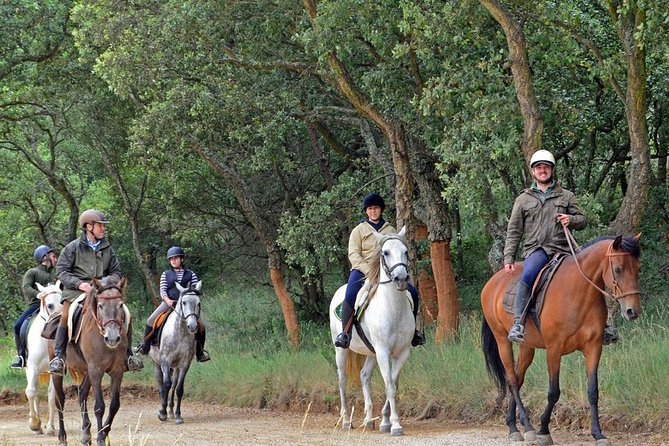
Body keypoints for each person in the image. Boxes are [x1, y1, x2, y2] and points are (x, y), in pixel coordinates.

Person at [504, 150, 615, 344]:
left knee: (589, 275)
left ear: (552, 170)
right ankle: (518, 324)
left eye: (546, 167)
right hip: (537, 250)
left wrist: (570, 219)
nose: (542, 170)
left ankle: (604, 326)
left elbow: (582, 220)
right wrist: (508, 258)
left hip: (564, 250)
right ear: (533, 172)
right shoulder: (523, 200)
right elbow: (514, 230)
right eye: (539, 167)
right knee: (529, 274)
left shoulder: (566, 196)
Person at [49, 209, 143, 374]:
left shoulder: (107, 248)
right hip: (76, 291)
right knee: (66, 315)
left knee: (126, 313)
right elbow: (62, 271)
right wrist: (80, 284)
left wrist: (105, 282)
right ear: (89, 227)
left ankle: (128, 356)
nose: (103, 229)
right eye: (100, 225)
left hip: (102, 291)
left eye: (103, 226)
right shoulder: (72, 248)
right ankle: (58, 357)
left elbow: (116, 271)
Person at [334, 193, 425, 349]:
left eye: (376, 208)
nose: (373, 211)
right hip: (363, 271)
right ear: (366, 211)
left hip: (387, 272)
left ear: (381, 210)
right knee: (350, 293)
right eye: (370, 209)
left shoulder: (390, 229)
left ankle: (414, 332)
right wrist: (368, 269)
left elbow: (396, 250)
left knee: (413, 293)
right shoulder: (358, 230)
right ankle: (345, 333)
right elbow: (353, 254)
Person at [135, 246, 210, 362]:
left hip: (187, 306)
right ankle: (145, 347)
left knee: (202, 325)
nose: (173, 261)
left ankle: (200, 353)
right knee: (150, 320)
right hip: (169, 303)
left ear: (182, 259)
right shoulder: (166, 274)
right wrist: (167, 300)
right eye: (171, 259)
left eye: (176, 258)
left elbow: (196, 290)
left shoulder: (191, 274)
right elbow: (163, 290)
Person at [10, 245, 58, 369]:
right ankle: (21, 356)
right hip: (36, 306)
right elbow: (26, 287)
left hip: (54, 308)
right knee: (18, 325)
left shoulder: (55, 276)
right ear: (45, 257)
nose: (56, 259)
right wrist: (38, 294)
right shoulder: (32, 272)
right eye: (53, 256)